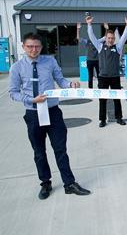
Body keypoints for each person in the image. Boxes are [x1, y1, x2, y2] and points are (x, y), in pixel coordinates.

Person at [9, 33, 91, 200]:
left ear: (41, 47)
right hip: (33, 113)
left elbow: (60, 80)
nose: (34, 49)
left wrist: (71, 85)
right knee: (39, 151)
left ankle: (69, 183)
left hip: (53, 112)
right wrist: (32, 100)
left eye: (37, 46)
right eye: (30, 46)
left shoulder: (50, 61)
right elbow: (13, 92)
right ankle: (45, 183)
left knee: (60, 149)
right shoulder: (17, 67)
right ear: (23, 47)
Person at [87, 15, 127, 128]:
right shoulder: (100, 47)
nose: (111, 40)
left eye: (112, 38)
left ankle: (119, 118)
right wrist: (89, 24)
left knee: (117, 99)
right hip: (103, 77)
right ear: (105, 38)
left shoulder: (118, 47)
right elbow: (91, 37)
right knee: (103, 100)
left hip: (115, 77)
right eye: (109, 38)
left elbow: (124, 37)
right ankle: (102, 119)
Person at [76, 22, 108, 88]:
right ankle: (90, 88)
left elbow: (105, 37)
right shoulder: (87, 41)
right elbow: (78, 38)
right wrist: (78, 29)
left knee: (99, 75)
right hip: (89, 61)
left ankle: (100, 87)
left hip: (97, 60)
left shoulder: (98, 41)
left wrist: (106, 29)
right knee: (90, 75)